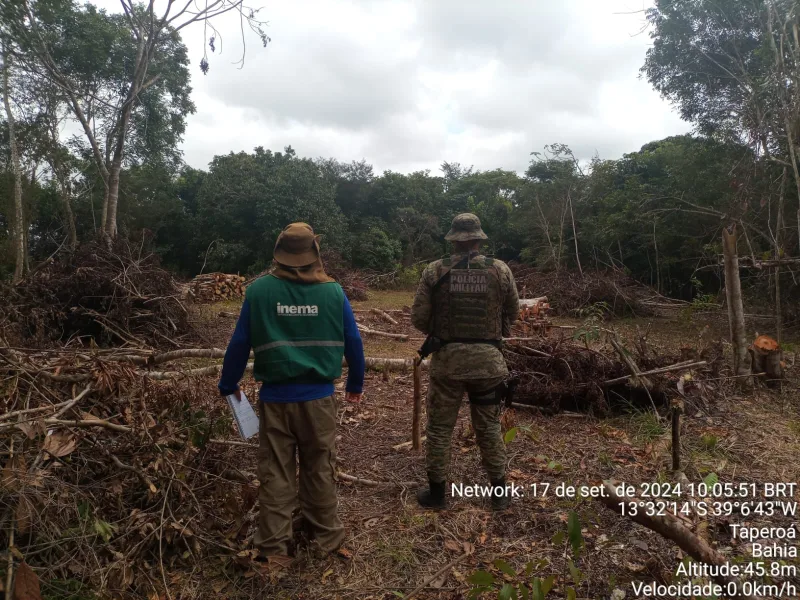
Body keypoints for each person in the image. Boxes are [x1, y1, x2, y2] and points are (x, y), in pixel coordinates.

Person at [218, 222, 365, 561]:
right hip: (319, 401)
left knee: (276, 473)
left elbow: (240, 343)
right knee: (319, 466)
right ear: (314, 253)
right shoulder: (333, 292)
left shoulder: (259, 291)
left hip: (276, 401)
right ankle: (325, 539)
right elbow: (354, 341)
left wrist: (228, 384)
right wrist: (356, 383)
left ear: (280, 253)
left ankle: (273, 548)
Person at [411, 213, 519, 511]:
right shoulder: (501, 270)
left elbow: (419, 317)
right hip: (489, 364)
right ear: (478, 239)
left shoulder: (435, 270)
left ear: (454, 239)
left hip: (447, 363)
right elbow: (513, 312)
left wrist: (443, 335)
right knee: (488, 427)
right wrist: (493, 337)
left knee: (440, 428)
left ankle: (437, 494)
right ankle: (499, 493)